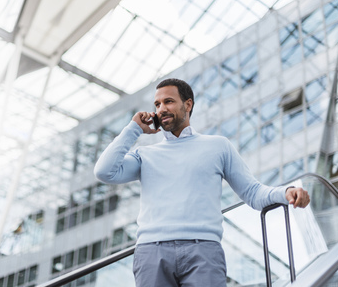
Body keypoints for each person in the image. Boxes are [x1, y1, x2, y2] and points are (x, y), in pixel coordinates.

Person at [94, 78, 310, 287]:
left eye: (168, 101)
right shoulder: (144, 155)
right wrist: (133, 129)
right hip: (151, 252)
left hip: (203, 251)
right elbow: (104, 172)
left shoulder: (218, 146)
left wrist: (286, 192)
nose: (161, 109)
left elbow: (252, 192)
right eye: (157, 104)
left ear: (188, 104)